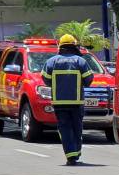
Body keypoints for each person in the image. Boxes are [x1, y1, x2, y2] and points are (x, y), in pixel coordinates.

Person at [40, 34, 94, 165]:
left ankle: (71, 156)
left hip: (59, 102)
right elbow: (89, 80)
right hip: (77, 102)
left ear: (61, 46)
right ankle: (75, 151)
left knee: (64, 129)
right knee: (77, 128)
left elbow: (45, 79)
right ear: (74, 46)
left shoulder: (51, 61)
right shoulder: (80, 61)